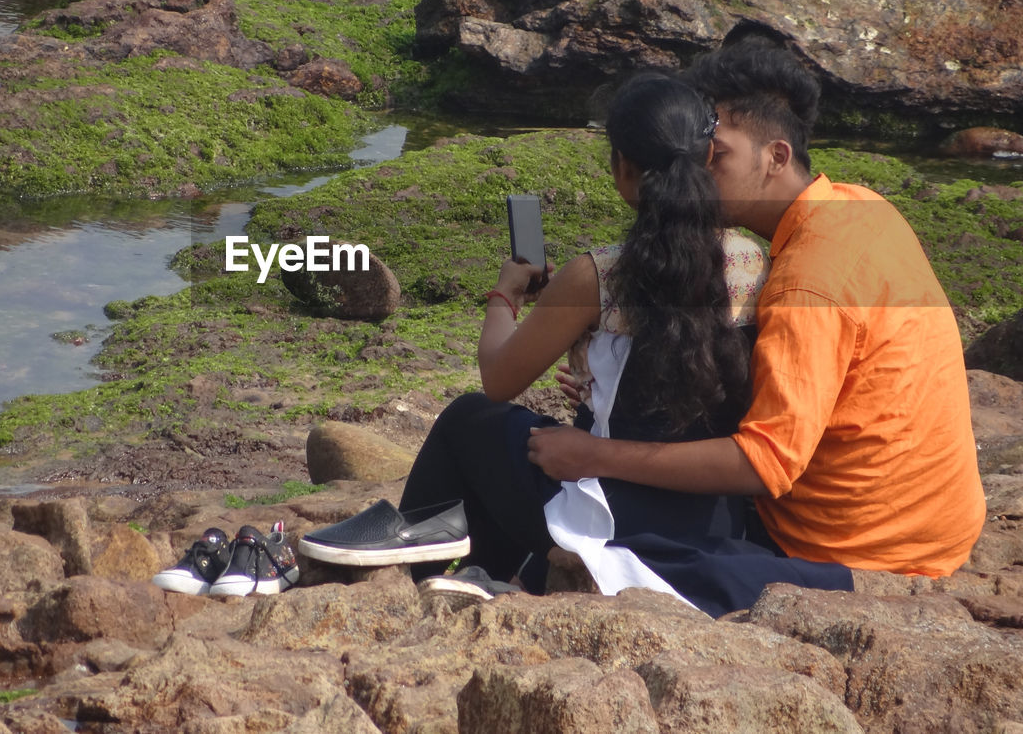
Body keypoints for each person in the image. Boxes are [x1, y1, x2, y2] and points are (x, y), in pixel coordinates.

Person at [337, 71, 852, 614]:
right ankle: (487, 574)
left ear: (623, 170)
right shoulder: (760, 261)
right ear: (706, 159)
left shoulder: (598, 275)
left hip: (613, 513)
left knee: (470, 420)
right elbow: (688, 362)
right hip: (713, 514)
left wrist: (505, 296)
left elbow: (499, 378)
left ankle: (410, 569)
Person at [527, 35, 986, 578]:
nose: (694, 172)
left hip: (853, 548)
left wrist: (592, 455)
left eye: (714, 156)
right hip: (939, 525)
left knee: (575, 489)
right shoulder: (863, 208)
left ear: (777, 157)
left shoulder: (807, 282)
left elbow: (764, 462)